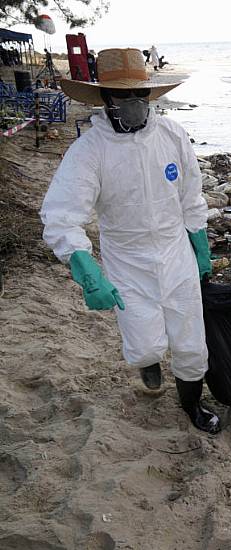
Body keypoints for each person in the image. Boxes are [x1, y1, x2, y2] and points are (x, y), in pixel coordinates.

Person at [39, 48, 220, 434]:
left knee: (190, 342)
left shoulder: (172, 135)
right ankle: (150, 362)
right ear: (106, 99)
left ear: (150, 96)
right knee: (146, 342)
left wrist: (200, 243)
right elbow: (62, 213)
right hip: (128, 258)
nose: (133, 103)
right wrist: (84, 266)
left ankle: (192, 404)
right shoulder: (89, 151)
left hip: (175, 252)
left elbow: (191, 194)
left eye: (139, 95)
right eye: (122, 96)